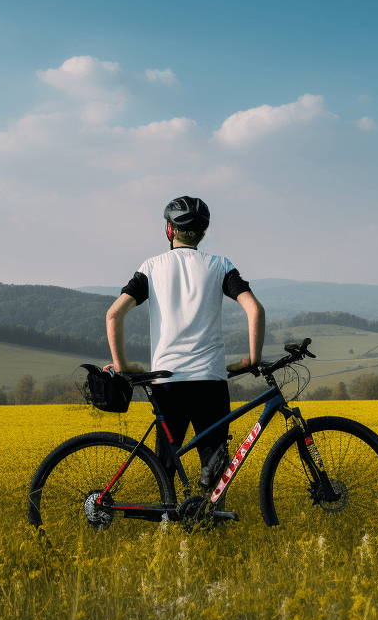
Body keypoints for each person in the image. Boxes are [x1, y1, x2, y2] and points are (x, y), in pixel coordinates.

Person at [104, 195, 264, 489]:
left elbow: (114, 315)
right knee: (214, 466)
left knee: (165, 464)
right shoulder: (219, 265)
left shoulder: (151, 267)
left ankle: (166, 519)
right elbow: (255, 309)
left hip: (167, 380)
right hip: (210, 380)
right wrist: (252, 359)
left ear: (169, 230)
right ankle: (210, 521)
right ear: (203, 233)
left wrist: (124, 365)